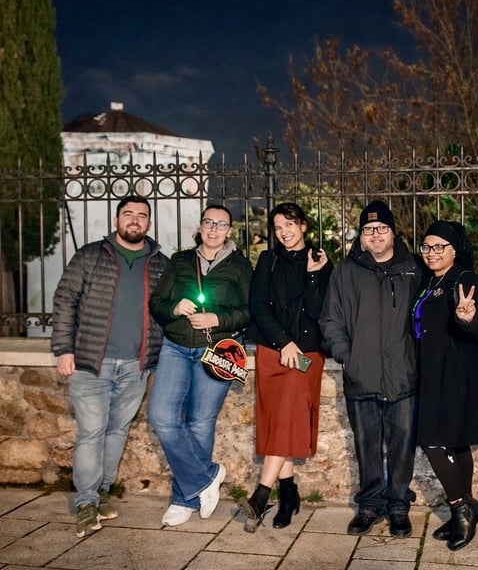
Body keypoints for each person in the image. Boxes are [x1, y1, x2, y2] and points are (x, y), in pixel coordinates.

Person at [51, 195, 169, 538]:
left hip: (136, 366)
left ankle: (102, 491)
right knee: (92, 431)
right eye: (128, 214)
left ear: (148, 223)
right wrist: (63, 349)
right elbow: (65, 300)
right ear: (117, 219)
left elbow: (165, 310)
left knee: (117, 431)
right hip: (91, 362)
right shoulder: (91, 255)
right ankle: (85, 501)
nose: (135, 220)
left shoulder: (159, 263)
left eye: (141, 216)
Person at [319, 199, 423, 538]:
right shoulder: (345, 271)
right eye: (368, 229)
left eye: (381, 229)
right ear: (361, 235)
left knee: (402, 444)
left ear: (393, 232)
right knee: (366, 444)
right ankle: (369, 506)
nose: (375, 234)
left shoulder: (414, 268)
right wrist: (347, 356)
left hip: (403, 374)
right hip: (361, 373)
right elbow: (330, 319)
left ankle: (398, 507)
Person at [148, 204, 252, 527]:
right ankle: (208, 476)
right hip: (176, 347)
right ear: (201, 226)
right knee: (161, 416)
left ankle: (185, 499)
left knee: (200, 422)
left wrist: (218, 318)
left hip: (216, 350)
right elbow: (156, 305)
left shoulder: (239, 265)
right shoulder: (180, 261)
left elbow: (249, 311)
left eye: (221, 224)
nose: (214, 229)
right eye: (209, 222)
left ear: (229, 232)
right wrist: (176, 306)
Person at [238, 202, 332, 532]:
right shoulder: (268, 260)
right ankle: (289, 493)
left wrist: (312, 275)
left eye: (289, 224)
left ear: (304, 225)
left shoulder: (320, 260)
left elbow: (318, 311)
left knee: (287, 415)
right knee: (278, 420)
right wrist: (283, 342)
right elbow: (257, 307)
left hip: (305, 355)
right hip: (272, 352)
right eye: (278, 227)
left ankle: (261, 496)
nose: (284, 232)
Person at [412, 220, 478, 550]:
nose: (431, 253)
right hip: (432, 372)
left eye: (438, 247)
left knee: (431, 439)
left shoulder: (466, 280)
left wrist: (467, 318)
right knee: (455, 442)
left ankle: (460, 508)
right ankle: (469, 507)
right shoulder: (429, 280)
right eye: (426, 247)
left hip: (458, 374)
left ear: (455, 250)